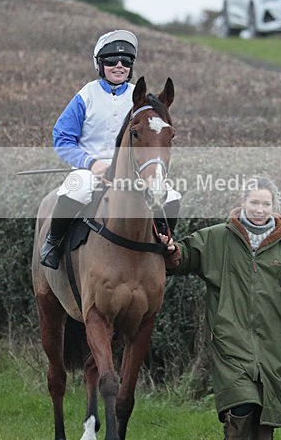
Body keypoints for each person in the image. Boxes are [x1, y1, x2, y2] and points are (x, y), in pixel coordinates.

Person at [162, 175, 281, 440]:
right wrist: (170, 249)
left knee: (268, 409)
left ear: (274, 208)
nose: (260, 209)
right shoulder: (218, 237)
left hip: (273, 341)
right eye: (254, 202)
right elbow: (183, 257)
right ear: (243, 203)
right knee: (243, 400)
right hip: (230, 336)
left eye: (266, 204)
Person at [40, 29, 180, 269]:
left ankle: (164, 245)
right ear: (99, 64)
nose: (119, 66)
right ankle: (53, 242)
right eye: (111, 61)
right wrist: (92, 164)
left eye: (126, 61)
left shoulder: (141, 100)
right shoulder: (86, 95)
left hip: (131, 171)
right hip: (89, 169)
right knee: (77, 189)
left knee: (172, 196)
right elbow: (62, 138)